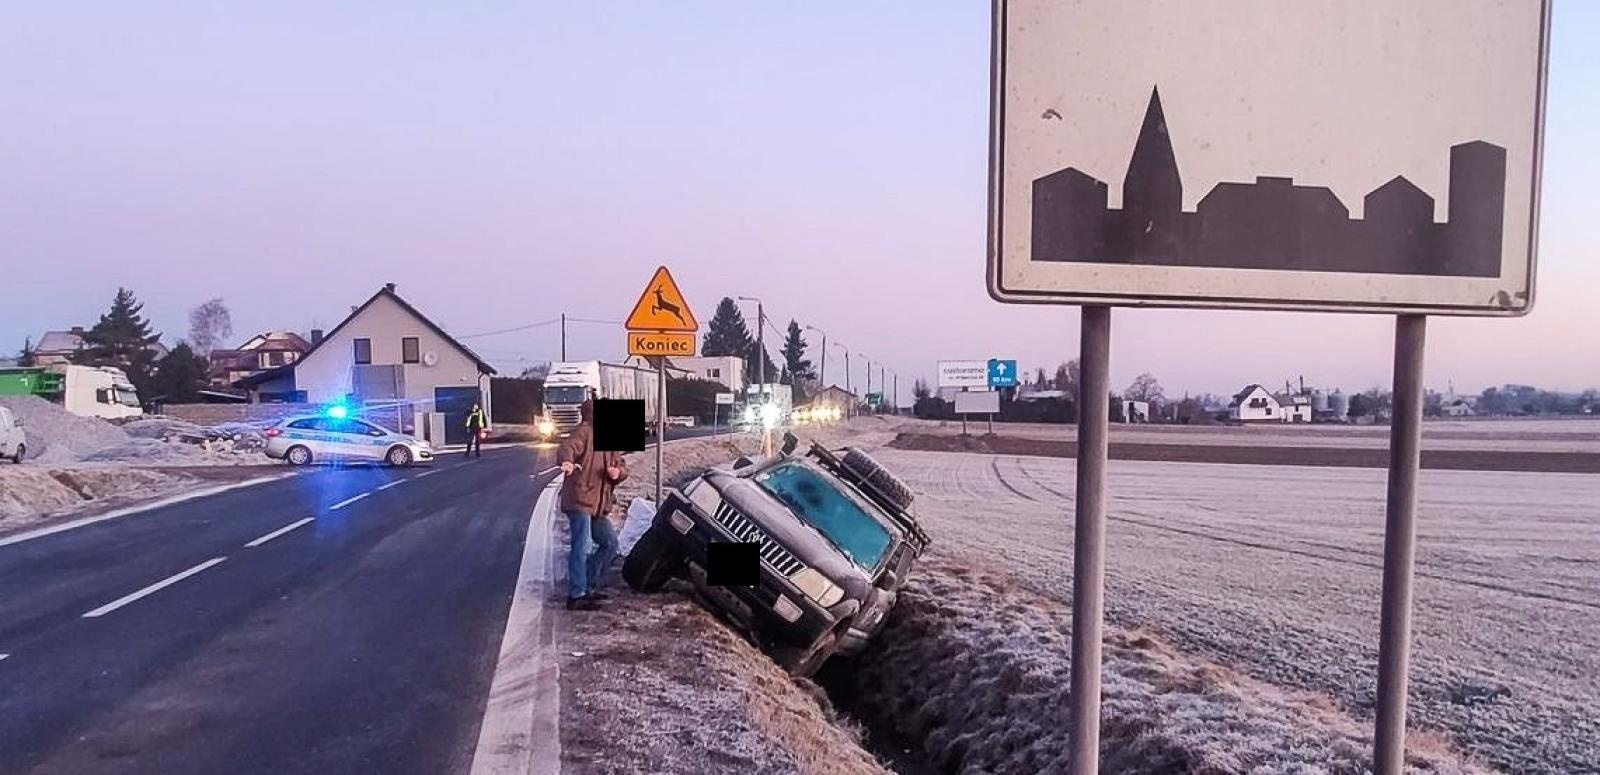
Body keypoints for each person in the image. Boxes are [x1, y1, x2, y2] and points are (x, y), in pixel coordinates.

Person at [557, 398, 627, 610]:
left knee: (610, 544)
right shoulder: (585, 431)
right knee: (582, 545)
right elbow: (567, 447)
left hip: (598, 503)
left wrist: (618, 473)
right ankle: (576, 595)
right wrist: (567, 461)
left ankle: (587, 585)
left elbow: (622, 466)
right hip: (580, 498)